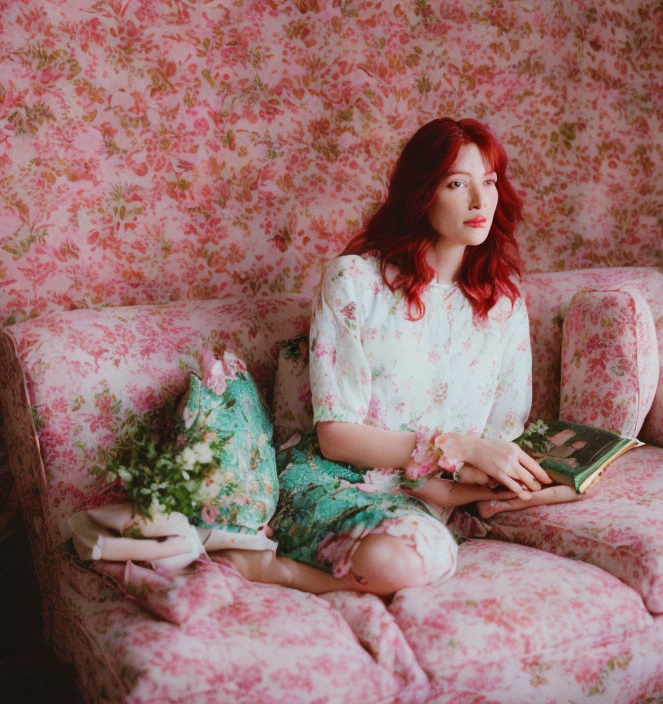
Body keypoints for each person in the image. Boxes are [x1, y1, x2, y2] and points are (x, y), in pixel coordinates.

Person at [216, 117, 583, 595]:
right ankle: (280, 570)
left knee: (406, 559)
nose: (480, 201)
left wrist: (542, 482)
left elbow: (500, 437)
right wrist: (462, 449)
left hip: (428, 502)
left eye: (489, 183)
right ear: (422, 193)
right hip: (337, 482)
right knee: (394, 562)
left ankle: (288, 573)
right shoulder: (354, 282)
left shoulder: (504, 306)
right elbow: (336, 437)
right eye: (458, 183)